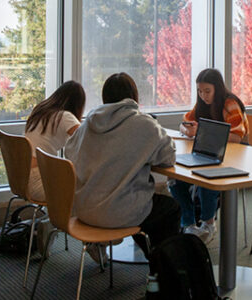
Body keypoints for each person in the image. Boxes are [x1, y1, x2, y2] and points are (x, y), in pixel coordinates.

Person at [65, 72, 181, 270]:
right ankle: (163, 269)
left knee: (140, 202)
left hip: (83, 209)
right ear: (134, 96)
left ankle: (152, 257)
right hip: (120, 212)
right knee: (170, 209)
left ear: (105, 97)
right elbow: (168, 156)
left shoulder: (87, 123)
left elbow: (69, 151)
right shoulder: (144, 124)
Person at [169, 68, 249, 244]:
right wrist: (187, 129)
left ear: (217, 89)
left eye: (207, 91)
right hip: (209, 152)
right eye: (199, 91)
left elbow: (236, 137)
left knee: (207, 178)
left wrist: (203, 132)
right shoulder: (202, 104)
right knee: (174, 179)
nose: (203, 95)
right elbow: (184, 122)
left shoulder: (230, 103)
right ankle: (189, 224)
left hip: (234, 156)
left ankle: (208, 224)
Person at [25, 80, 86, 203]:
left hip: (22, 178)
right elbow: (85, 138)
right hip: (40, 182)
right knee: (86, 188)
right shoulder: (64, 117)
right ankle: (70, 221)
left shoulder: (41, 110)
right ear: (77, 103)